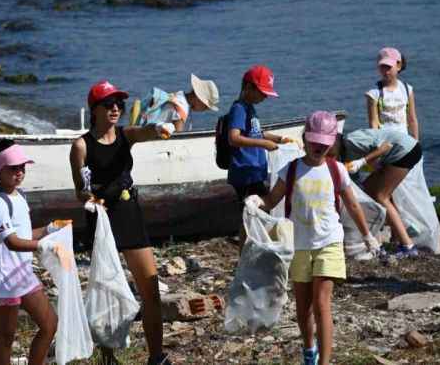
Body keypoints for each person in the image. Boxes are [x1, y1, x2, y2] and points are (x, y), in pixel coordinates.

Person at [248, 111, 380, 365]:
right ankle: (309, 349)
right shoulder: (292, 169)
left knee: (321, 302)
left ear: (332, 143)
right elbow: (271, 200)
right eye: (314, 142)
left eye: (324, 143)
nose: (319, 147)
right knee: (303, 307)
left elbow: (352, 206)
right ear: (305, 139)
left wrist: (368, 236)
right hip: (299, 246)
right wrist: (256, 202)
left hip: (329, 243)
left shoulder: (337, 170)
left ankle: (325, 361)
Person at [69, 80, 174, 365]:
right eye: (109, 104)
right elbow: (80, 189)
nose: (115, 108)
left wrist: (160, 128)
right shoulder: (81, 145)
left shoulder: (126, 136)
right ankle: (108, 356)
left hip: (128, 213)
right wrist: (90, 197)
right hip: (101, 218)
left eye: (119, 104)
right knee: (106, 288)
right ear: (95, 109)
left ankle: (156, 356)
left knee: (150, 288)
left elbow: (145, 132)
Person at [0, 138, 66, 365]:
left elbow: (26, 236)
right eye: (13, 168)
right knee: (6, 337)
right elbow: (11, 242)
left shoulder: (19, 197)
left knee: (50, 324)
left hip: (22, 272)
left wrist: (50, 229)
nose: (19, 172)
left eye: (22, 167)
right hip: (3, 276)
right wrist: (45, 245)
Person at [227, 64, 297, 245]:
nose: (265, 97)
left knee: (257, 210)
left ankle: (252, 246)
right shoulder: (239, 109)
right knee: (253, 212)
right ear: (248, 87)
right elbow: (234, 138)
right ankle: (247, 250)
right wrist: (264, 145)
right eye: (262, 92)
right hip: (245, 173)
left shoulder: (250, 108)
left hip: (254, 171)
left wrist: (280, 139)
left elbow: (256, 132)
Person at [331, 127, 422, 258]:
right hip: (396, 154)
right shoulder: (343, 157)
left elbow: (386, 146)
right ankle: (398, 233)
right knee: (369, 188)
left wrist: (362, 161)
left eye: (328, 149)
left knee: (381, 196)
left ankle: (408, 246)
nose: (328, 154)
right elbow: (355, 184)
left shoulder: (350, 140)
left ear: (335, 142)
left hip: (405, 150)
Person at [365, 47, 419, 139]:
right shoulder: (374, 93)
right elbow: (373, 122)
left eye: (389, 67)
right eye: (382, 67)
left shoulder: (407, 90)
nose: (386, 71)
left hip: (404, 140)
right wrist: (377, 143)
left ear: (399, 66)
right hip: (384, 141)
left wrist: (416, 142)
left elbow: (412, 119)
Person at [137, 74, 220, 131]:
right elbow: (178, 136)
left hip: (143, 127)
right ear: (199, 99)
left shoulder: (176, 96)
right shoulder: (182, 107)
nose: (204, 110)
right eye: (205, 107)